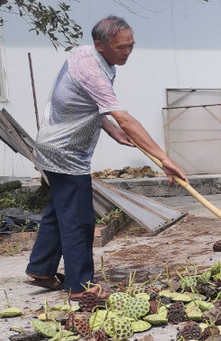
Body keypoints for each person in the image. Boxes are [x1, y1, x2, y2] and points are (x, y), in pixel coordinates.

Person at [26, 16, 188, 299]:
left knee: (60, 208)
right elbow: (126, 120)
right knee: (80, 219)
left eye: (131, 46)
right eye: (120, 47)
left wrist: (109, 129)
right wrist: (164, 159)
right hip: (66, 153)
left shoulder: (83, 54)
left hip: (53, 145)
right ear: (100, 45)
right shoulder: (94, 72)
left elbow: (80, 100)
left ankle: (41, 267)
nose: (127, 52)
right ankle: (80, 287)